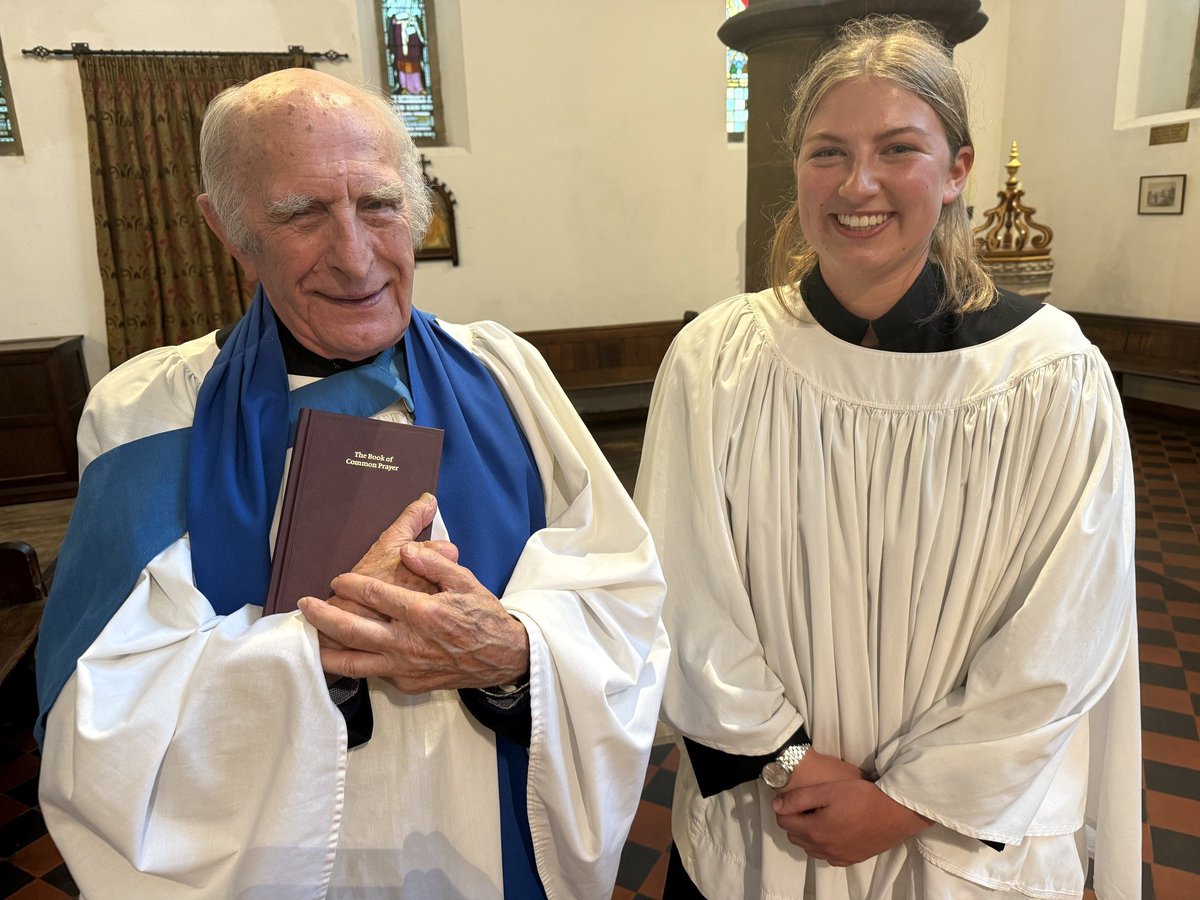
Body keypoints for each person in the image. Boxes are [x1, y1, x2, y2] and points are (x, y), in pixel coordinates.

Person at [36, 68, 669, 899]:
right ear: (229, 231)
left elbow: (623, 598)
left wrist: (518, 655)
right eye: (302, 214)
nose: (356, 256)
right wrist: (321, 654)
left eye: (379, 204)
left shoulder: (507, 374)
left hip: (491, 848)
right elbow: (106, 712)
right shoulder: (152, 413)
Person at [635, 16, 1139, 900]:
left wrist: (903, 803)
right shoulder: (719, 359)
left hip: (956, 842)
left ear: (957, 169)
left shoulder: (1050, 374)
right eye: (827, 152)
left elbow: (1068, 626)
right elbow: (684, 588)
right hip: (771, 821)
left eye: (898, 148)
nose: (856, 183)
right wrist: (788, 760)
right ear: (798, 169)